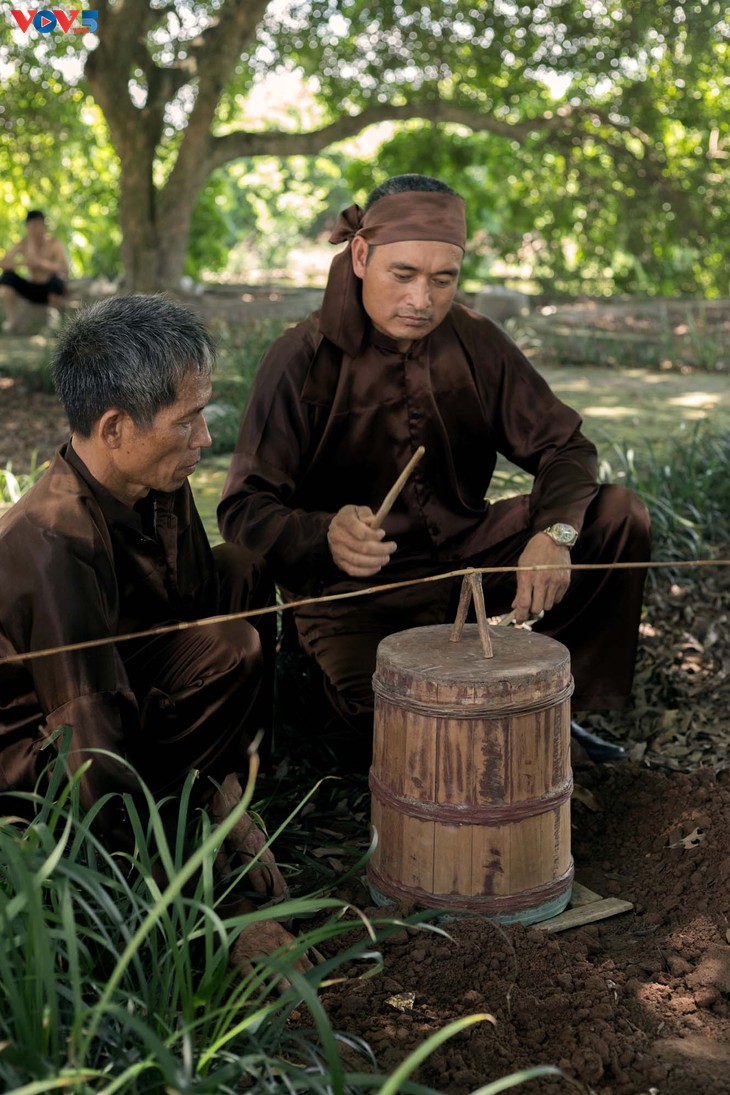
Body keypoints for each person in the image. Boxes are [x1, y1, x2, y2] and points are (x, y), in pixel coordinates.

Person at [218, 174, 651, 769]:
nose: (423, 299)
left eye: (442, 279)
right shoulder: (299, 357)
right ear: (362, 255)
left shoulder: (474, 340)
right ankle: (319, 698)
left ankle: (555, 707)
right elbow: (243, 509)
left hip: (465, 560)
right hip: (356, 593)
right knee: (399, 727)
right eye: (404, 275)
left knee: (616, 515)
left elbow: (565, 446)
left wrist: (555, 535)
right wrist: (324, 534)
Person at [0, 295, 284, 905]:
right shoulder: (51, 542)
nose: (204, 439)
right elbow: (87, 742)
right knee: (234, 648)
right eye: (187, 421)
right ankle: (184, 835)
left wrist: (226, 790)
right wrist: (208, 896)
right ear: (114, 428)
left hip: (116, 670)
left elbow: (199, 598)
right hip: (45, 751)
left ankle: (227, 781)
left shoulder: (152, 478)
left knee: (241, 568)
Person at [0, 210, 69, 332]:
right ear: (27, 227)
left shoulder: (54, 243)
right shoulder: (23, 243)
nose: (36, 230)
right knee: (7, 277)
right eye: (33, 226)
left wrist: (42, 263)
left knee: (57, 280)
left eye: (39, 225)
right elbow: (3, 263)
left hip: (50, 288)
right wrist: (23, 262)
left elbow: (64, 268)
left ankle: (53, 320)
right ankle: (11, 319)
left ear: (44, 226)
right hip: (31, 288)